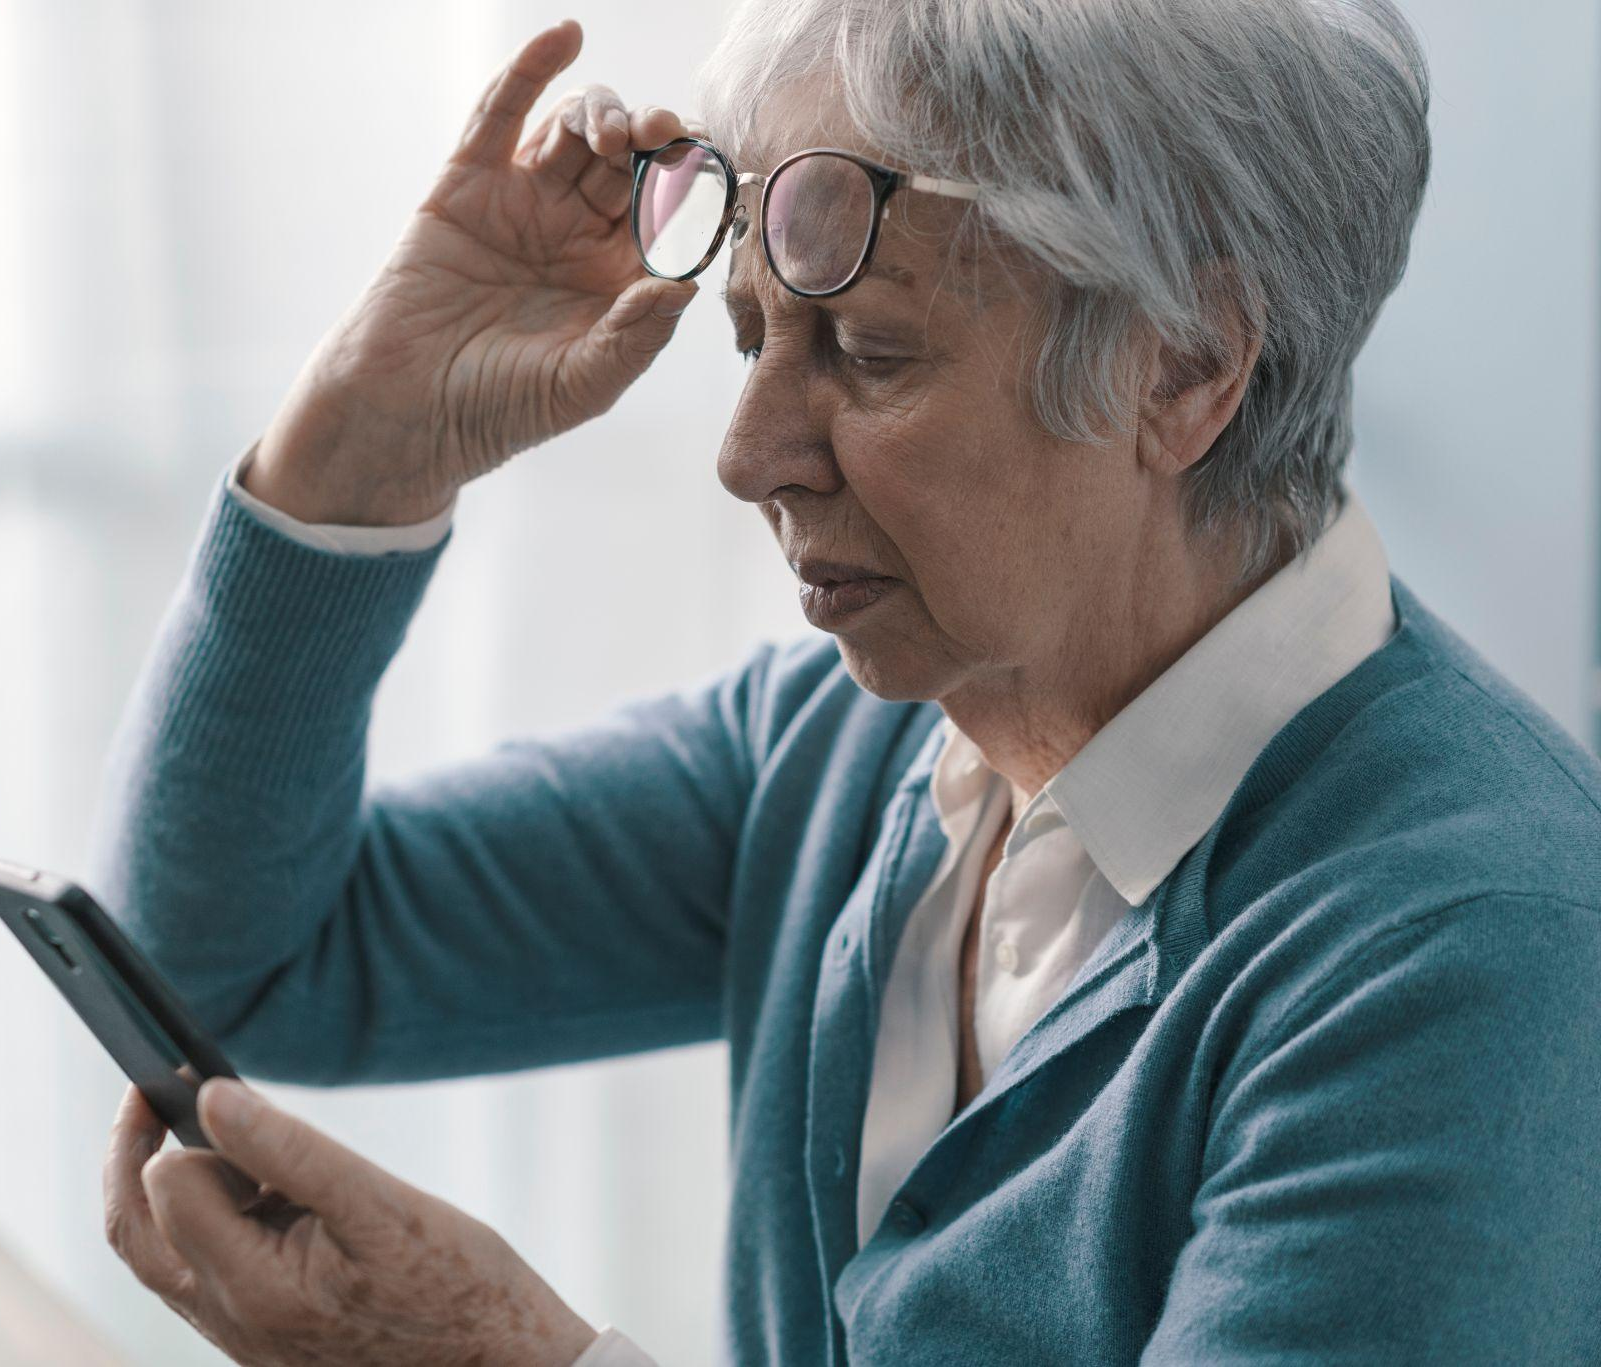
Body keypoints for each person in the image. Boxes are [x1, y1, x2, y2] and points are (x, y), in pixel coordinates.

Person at [90, 4, 1601, 1364]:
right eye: (751, 336)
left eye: (868, 351)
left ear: (1187, 367)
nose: (747, 455)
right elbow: (232, 955)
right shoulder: (845, 746)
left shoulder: (1474, 955)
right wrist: (366, 440)